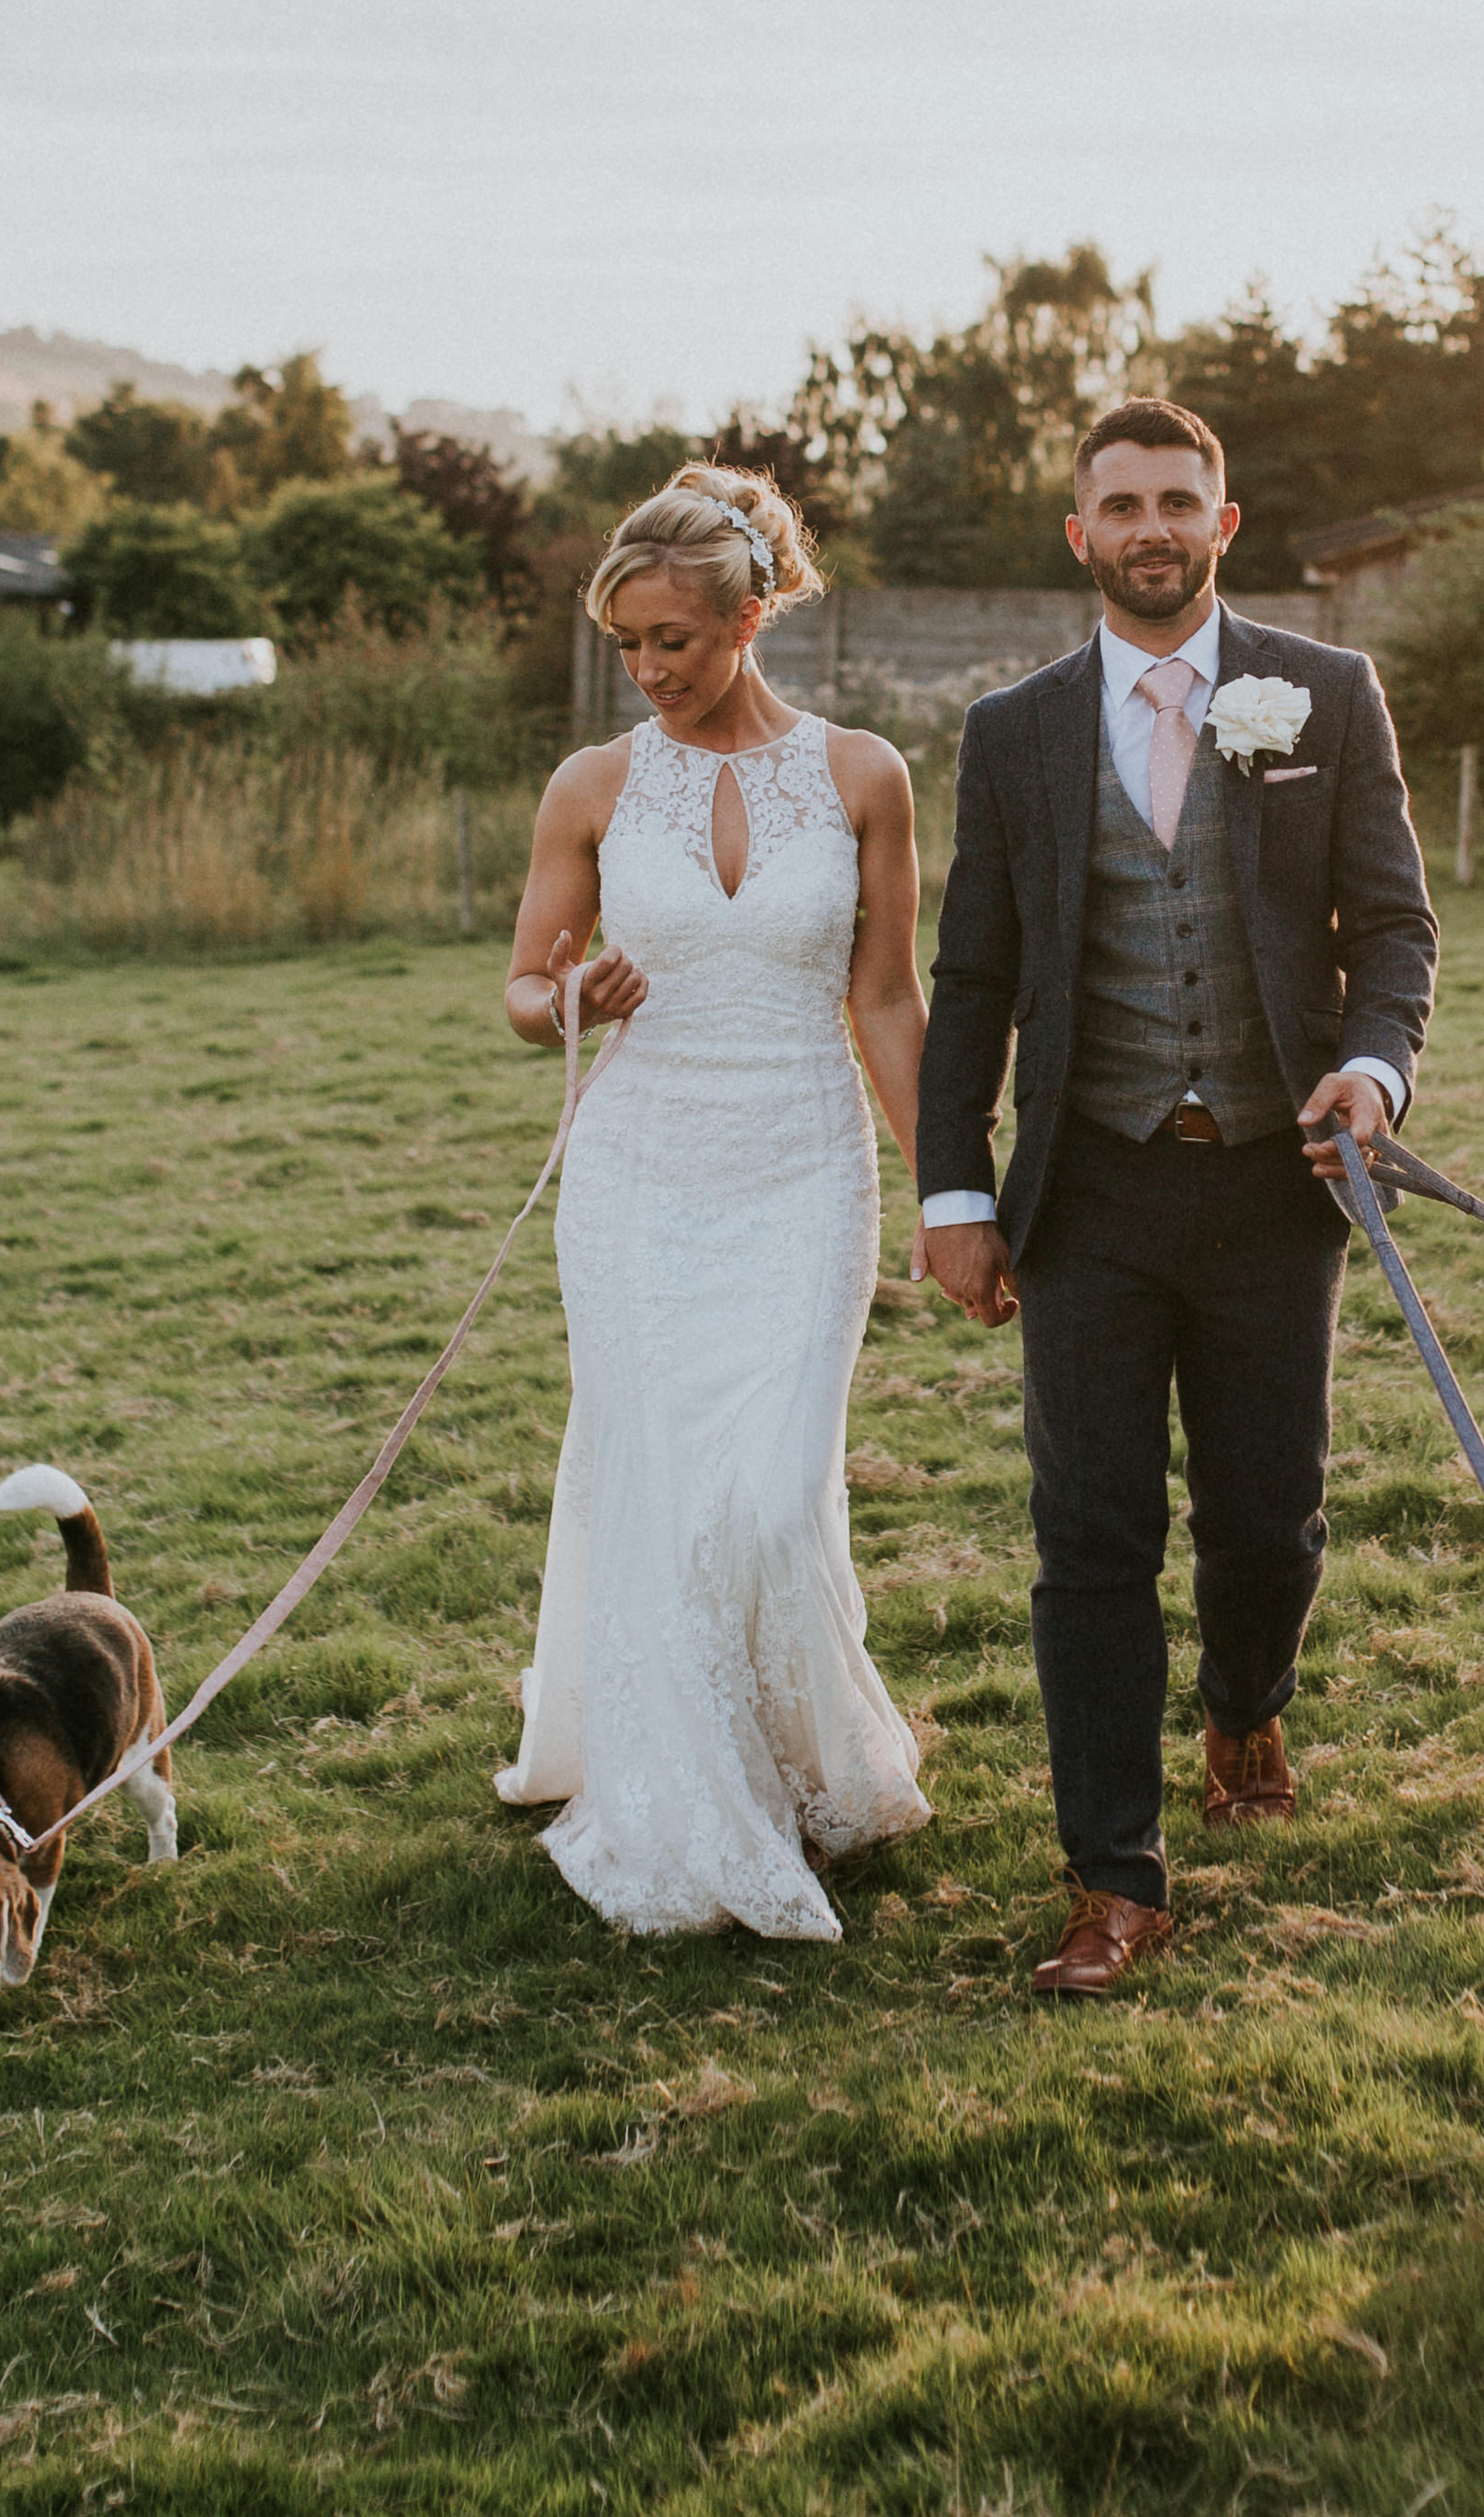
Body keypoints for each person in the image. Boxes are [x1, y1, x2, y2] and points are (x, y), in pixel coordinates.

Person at [913, 398, 1438, 1997]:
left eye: (1178, 500)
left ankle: (1243, 1702)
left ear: (1226, 520)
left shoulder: (1320, 691)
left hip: (1280, 1183)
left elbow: (1396, 930)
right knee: (1089, 1533)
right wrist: (953, 1184)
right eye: (1120, 503)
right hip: (1093, 1193)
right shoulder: (1014, 731)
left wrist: (1374, 1069)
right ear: (1080, 535)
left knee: (1267, 1519)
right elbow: (978, 971)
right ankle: (1114, 1875)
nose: (1151, 525)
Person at [486, 465, 932, 1937]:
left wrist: (956, 1190)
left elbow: (883, 996)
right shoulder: (594, 786)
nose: (648, 670)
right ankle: (687, 1803)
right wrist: (573, 993)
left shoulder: (865, 773)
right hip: (637, 1179)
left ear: (752, 617)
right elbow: (520, 988)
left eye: (673, 638)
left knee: (766, 1492)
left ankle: (795, 1762)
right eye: (628, 644)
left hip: (804, 1167)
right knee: (669, 1493)